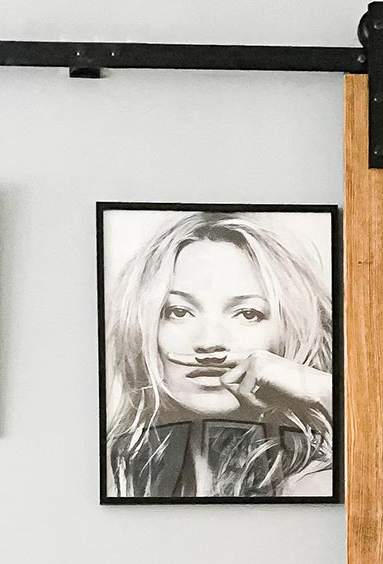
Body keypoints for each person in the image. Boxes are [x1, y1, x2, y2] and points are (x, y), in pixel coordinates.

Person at [105, 212, 334, 498]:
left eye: (248, 314)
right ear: (143, 328)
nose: (209, 342)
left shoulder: (316, 484)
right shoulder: (117, 477)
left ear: (293, 331)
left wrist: (323, 389)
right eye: (179, 312)